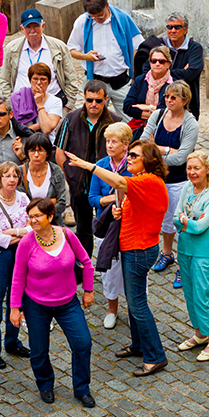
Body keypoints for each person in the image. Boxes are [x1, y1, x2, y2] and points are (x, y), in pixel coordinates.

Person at [65, 140, 169, 377]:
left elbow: (119, 181)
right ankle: (139, 345)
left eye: (134, 155)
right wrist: (118, 211)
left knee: (137, 304)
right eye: (129, 154)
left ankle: (156, 356)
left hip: (139, 250)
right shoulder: (142, 181)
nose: (129, 159)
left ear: (149, 160)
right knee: (134, 302)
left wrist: (87, 165)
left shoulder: (149, 181)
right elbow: (134, 205)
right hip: (133, 247)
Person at [10, 197, 96, 408]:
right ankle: (45, 384)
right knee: (39, 350)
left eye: (37, 216)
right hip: (36, 305)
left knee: (83, 343)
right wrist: (14, 308)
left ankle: (82, 388)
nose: (33, 221)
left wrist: (88, 290)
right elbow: (18, 277)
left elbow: (86, 262)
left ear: (50, 216)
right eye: (30, 217)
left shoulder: (66, 235)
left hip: (68, 303)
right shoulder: (26, 243)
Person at [141, 80, 199, 287]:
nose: (168, 100)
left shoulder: (190, 123)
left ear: (185, 100)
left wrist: (158, 149)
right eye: (166, 96)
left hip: (178, 180)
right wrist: (167, 150)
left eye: (173, 97)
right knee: (165, 221)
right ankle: (167, 253)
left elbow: (182, 157)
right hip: (157, 179)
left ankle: (183, 266)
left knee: (180, 222)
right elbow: (143, 144)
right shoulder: (158, 115)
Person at [55, 80, 122, 256]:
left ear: (106, 99)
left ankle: (109, 263)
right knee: (82, 229)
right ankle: (84, 267)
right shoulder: (71, 119)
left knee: (109, 225)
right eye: (89, 100)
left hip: (106, 187)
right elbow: (59, 152)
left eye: (98, 100)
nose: (93, 104)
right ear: (84, 99)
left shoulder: (116, 122)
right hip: (80, 186)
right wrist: (71, 175)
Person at [173, 151, 209, 361]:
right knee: (190, 294)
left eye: (197, 168)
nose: (192, 172)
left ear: (207, 169)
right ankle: (200, 333)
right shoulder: (187, 187)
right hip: (185, 248)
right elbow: (176, 218)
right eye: (189, 168)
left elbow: (202, 226)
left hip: (203, 253)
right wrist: (187, 221)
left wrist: (187, 222)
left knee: (202, 296)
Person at [0, 162, 31, 369]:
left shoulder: (23, 198)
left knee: (16, 299)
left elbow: (32, 228)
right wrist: (22, 233)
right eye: (7, 176)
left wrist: (13, 232)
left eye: (15, 176)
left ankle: (12, 342)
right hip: (0, 255)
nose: (11, 179)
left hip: (21, 253)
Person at [68, 0, 144, 122]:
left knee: (132, 122)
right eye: (93, 17)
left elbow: (137, 48)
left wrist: (135, 76)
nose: (97, 19)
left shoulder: (123, 18)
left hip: (120, 82)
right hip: (94, 81)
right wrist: (86, 57)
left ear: (107, 6)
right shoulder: (82, 21)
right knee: (91, 122)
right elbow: (71, 50)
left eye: (100, 16)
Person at [87, 122, 133, 330]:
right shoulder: (101, 165)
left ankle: (135, 309)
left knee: (131, 268)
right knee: (110, 270)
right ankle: (111, 308)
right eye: (107, 141)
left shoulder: (133, 166)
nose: (109, 145)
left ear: (126, 144)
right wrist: (110, 199)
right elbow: (92, 198)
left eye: (114, 141)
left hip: (130, 225)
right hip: (107, 224)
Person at [1, 8, 82, 110]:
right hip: (22, 106)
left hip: (52, 104)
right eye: (28, 27)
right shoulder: (12, 49)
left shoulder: (59, 47)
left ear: (43, 26)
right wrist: (12, 105)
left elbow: (71, 80)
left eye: (36, 26)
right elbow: (5, 80)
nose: (32, 31)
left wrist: (66, 108)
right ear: (22, 29)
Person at [141, 12, 204, 119]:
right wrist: (180, 71)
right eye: (170, 27)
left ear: (186, 29)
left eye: (177, 27)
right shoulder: (158, 45)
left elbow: (190, 74)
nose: (173, 30)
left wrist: (161, 72)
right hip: (158, 104)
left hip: (186, 106)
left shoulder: (195, 49)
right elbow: (146, 70)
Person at [17, 132, 68, 226]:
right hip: (28, 224)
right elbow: (20, 204)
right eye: (32, 151)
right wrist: (50, 202)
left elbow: (61, 202)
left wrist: (43, 216)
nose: (36, 155)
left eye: (40, 150)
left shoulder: (56, 171)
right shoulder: (20, 172)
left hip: (53, 223)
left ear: (47, 153)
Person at [124, 46, 174, 139]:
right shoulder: (140, 80)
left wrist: (147, 107)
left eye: (161, 61)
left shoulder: (174, 85)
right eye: (153, 61)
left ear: (168, 64)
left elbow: (172, 111)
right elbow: (127, 106)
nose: (157, 64)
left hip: (164, 129)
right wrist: (155, 112)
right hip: (139, 127)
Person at [9, 63, 63, 143]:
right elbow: (15, 128)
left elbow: (47, 129)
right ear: (30, 81)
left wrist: (40, 105)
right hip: (23, 143)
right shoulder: (18, 98)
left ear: (49, 82)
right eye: (35, 79)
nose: (38, 83)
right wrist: (39, 125)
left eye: (43, 79)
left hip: (46, 144)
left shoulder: (55, 101)